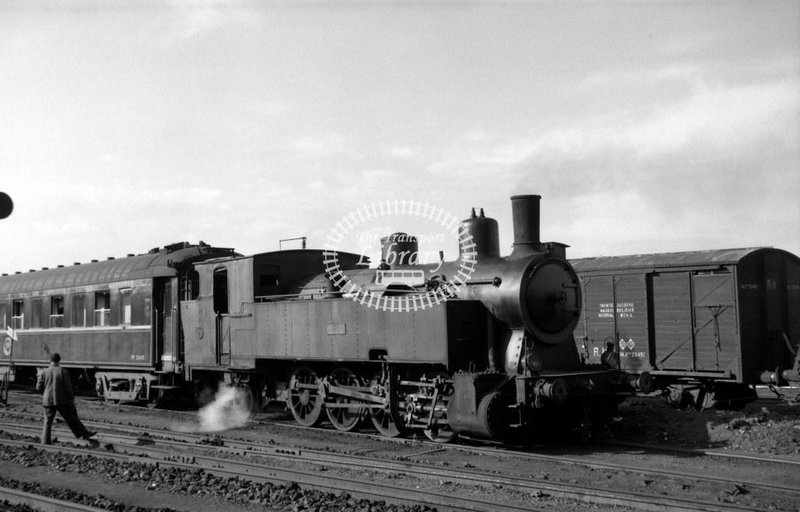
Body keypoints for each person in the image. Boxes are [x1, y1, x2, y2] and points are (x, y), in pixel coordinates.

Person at [36, 353, 96, 444]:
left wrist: (45, 394)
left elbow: (38, 387)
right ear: (59, 360)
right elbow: (68, 387)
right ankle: (84, 434)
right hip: (61, 400)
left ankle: (45, 441)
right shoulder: (63, 371)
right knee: (71, 418)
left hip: (47, 401)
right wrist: (71, 398)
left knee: (47, 422)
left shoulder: (44, 372)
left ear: (50, 361)